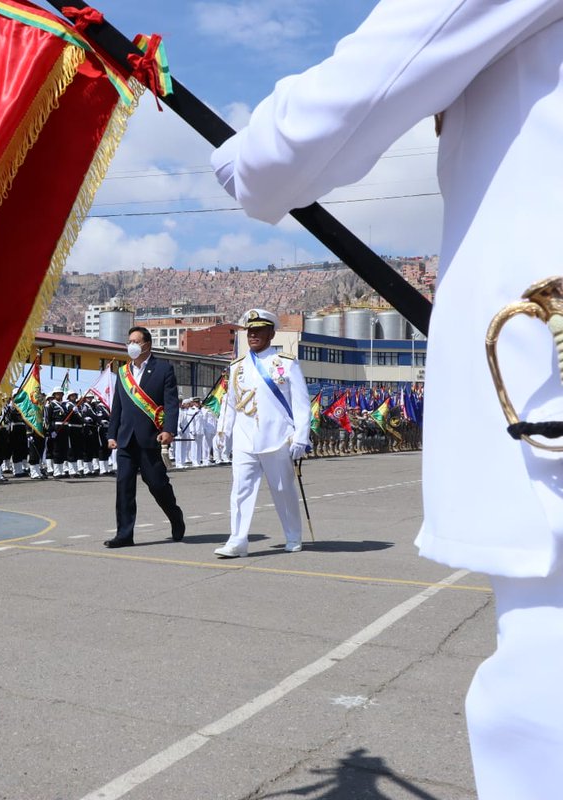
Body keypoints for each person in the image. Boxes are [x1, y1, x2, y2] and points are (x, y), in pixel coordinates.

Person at [208, 5, 563, 794]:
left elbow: (372, 81)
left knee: (543, 705)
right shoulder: (242, 363)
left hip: (546, 382)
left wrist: (244, 162)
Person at [212, 310, 311, 558]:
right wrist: (222, 433)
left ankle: (293, 535)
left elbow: (301, 404)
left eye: (259, 330)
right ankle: (238, 540)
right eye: (250, 330)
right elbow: (229, 403)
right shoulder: (237, 367)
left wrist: (301, 436)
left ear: (271, 333)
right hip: (245, 438)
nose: (254, 334)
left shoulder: (285, 363)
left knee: (282, 490)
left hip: (277, 438)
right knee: (240, 490)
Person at [105, 326, 185, 547]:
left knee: (157, 484)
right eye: (129, 341)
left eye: (136, 341)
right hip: (125, 440)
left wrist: (168, 429)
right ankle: (124, 534)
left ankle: (175, 516)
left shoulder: (163, 369)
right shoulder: (123, 372)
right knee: (124, 487)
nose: (131, 345)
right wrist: (112, 434)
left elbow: (170, 403)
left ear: (147, 345)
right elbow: (117, 406)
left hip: (150, 438)